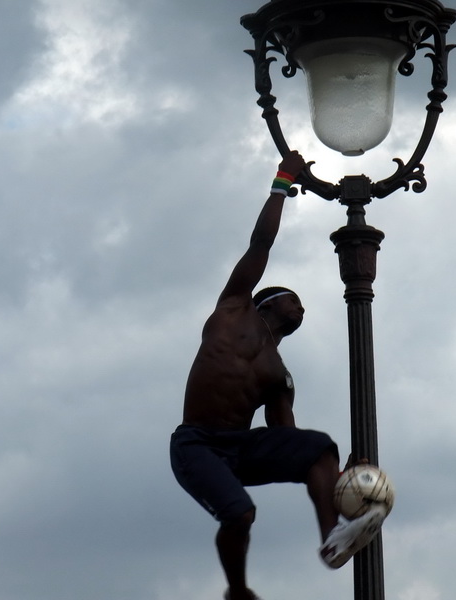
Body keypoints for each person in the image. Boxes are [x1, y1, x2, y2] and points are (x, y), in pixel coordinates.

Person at [170, 150, 388, 600]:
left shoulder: (280, 376)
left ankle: (333, 538)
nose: (302, 307)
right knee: (241, 514)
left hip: (238, 447)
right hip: (197, 445)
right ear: (269, 302)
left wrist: (335, 471)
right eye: (294, 300)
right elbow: (261, 244)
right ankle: (238, 590)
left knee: (316, 445)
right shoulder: (234, 308)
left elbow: (286, 439)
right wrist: (283, 182)